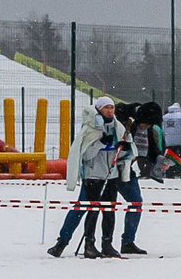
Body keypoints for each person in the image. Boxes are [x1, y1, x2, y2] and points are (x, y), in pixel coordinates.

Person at [47, 95, 124, 258]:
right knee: (91, 210)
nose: (110, 111)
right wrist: (101, 143)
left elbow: (125, 151)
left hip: (111, 175)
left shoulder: (118, 127)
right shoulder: (90, 128)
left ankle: (107, 243)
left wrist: (123, 148)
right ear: (99, 109)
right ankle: (88, 244)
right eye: (106, 108)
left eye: (112, 107)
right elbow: (85, 155)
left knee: (109, 211)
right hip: (94, 175)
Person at [117, 102, 156, 255]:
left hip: (126, 169)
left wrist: (159, 159)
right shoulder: (125, 122)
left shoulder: (146, 127)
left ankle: (128, 241)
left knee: (136, 202)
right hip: (109, 169)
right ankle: (66, 240)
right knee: (94, 206)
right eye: (145, 124)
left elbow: (151, 149)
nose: (146, 128)